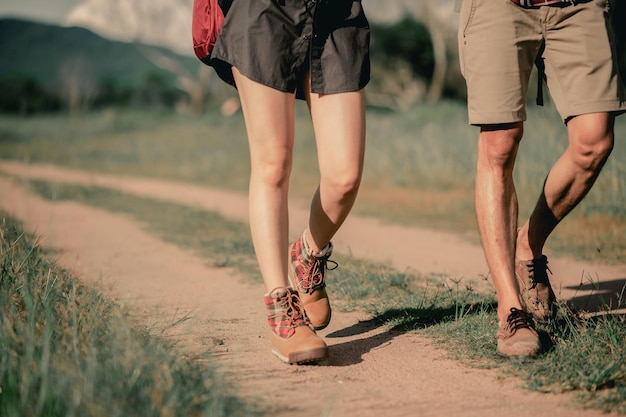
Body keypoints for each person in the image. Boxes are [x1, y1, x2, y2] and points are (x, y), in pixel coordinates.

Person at [457, 0, 625, 359]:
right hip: (498, 7)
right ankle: (511, 309)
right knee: (499, 143)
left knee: (594, 141)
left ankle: (528, 242)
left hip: (579, 6)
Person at [208, 0, 370, 364]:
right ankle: (281, 307)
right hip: (264, 10)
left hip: (336, 13)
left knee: (345, 176)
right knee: (273, 162)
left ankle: (307, 253)